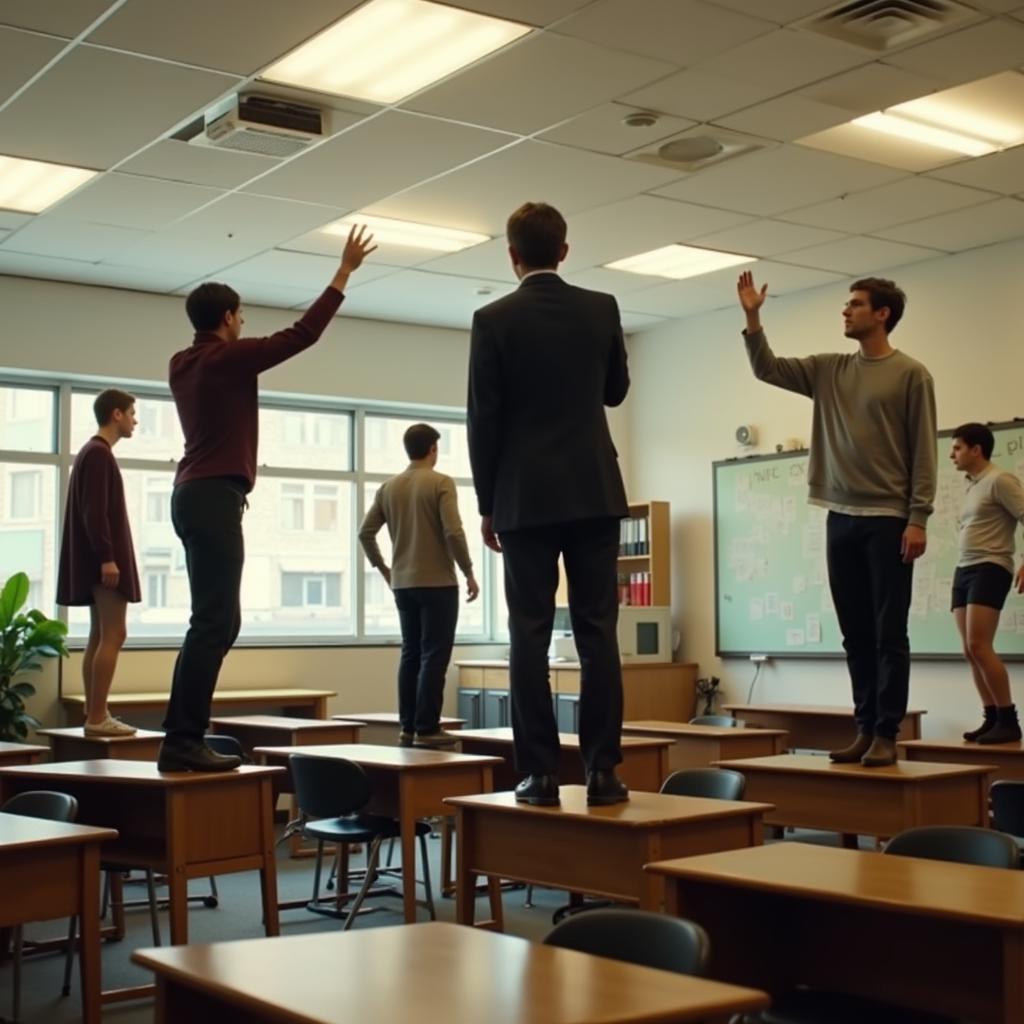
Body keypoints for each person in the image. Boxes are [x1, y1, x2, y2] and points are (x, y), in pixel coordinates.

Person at [157, 226, 375, 773]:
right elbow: (303, 333)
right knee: (215, 622)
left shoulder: (182, 362)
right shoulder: (224, 360)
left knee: (212, 621)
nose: (243, 325)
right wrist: (343, 273)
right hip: (212, 497)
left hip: (191, 495)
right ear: (228, 318)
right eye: (241, 318)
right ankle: (182, 740)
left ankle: (182, 735)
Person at [737, 270, 937, 767]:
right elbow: (767, 369)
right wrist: (753, 317)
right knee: (855, 634)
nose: (845, 312)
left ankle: (887, 733)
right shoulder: (829, 369)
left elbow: (924, 452)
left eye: (855, 304)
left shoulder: (912, 374)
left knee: (889, 632)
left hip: (889, 517)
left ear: (882, 314)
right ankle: (865, 728)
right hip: (839, 517)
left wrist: (919, 518)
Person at [467, 201, 630, 806]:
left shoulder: (492, 319)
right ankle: (603, 772)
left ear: (512, 257)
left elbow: (483, 420)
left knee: (528, 636)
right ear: (565, 250)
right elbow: (615, 392)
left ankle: (537, 775)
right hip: (593, 491)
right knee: (598, 635)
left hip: (524, 497)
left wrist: (488, 503)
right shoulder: (601, 308)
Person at [359, 423, 479, 746]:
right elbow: (453, 532)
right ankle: (428, 728)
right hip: (438, 582)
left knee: (410, 652)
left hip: (403, 584)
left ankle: (408, 727)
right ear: (433, 449)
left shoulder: (388, 488)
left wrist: (384, 569)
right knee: (434, 654)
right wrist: (468, 570)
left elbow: (365, 533)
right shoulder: (440, 483)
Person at [57, 388, 141, 737]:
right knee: (115, 633)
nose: (135, 420)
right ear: (116, 414)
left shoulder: (92, 453)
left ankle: (96, 713)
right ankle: (96, 717)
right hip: (104, 562)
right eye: (132, 413)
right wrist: (108, 557)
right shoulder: (98, 454)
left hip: (98, 560)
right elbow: (95, 512)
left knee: (100, 633)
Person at [949, 422, 1024, 743]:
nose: (952, 454)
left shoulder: (999, 480)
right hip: (964, 569)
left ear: (976, 449)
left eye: (957, 448)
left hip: (991, 567)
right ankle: (991, 717)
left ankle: (1008, 720)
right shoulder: (972, 484)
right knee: (969, 649)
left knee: (981, 645)